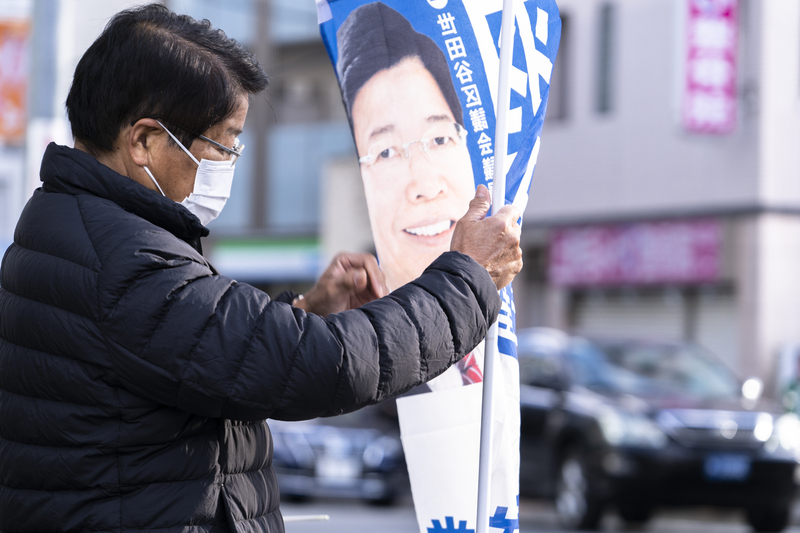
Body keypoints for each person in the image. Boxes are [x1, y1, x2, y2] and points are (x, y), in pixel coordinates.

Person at [0, 4, 522, 533]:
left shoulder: (76, 229)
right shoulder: (126, 261)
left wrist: (304, 311)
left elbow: (195, 357)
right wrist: (466, 279)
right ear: (144, 142)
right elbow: (323, 364)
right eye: (221, 143)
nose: (230, 160)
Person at [337, 2, 483, 389]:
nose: (424, 184)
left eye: (439, 138)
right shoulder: (352, 359)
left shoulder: (497, 356)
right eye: (386, 152)